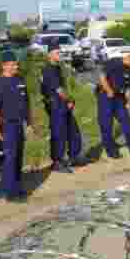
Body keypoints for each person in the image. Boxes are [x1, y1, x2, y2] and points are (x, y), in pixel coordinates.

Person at [0, 51, 33, 202]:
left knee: (18, 158)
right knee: (9, 160)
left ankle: (17, 188)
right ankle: (10, 193)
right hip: (7, 127)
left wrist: (29, 123)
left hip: (19, 125)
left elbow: (26, 104)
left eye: (16, 63)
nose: (16, 66)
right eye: (13, 64)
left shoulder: (20, 80)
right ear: (4, 66)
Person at [41, 43, 85, 172]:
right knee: (58, 134)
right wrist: (69, 100)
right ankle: (57, 161)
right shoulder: (48, 69)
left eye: (60, 52)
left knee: (73, 130)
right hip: (56, 105)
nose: (59, 54)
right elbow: (59, 90)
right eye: (57, 53)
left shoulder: (57, 68)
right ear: (49, 54)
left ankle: (74, 156)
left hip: (62, 104)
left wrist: (67, 101)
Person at [96, 51, 130, 159]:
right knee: (106, 125)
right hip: (106, 97)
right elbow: (102, 77)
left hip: (119, 99)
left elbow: (128, 88)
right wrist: (109, 90)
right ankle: (111, 150)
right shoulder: (114, 62)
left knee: (127, 122)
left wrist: (127, 101)